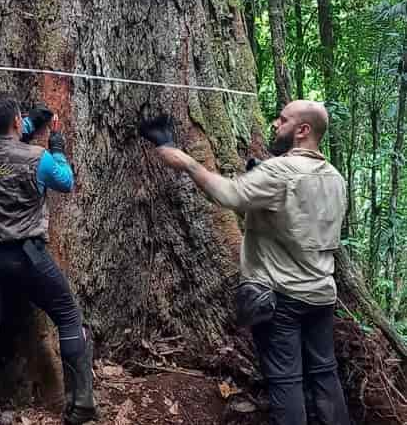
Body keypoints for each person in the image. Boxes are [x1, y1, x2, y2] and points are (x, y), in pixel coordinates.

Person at [140, 100, 350, 425]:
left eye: (282, 120)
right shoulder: (336, 178)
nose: (274, 125)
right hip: (322, 294)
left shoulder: (280, 171)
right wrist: (258, 180)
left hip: (281, 299)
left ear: (302, 130)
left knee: (286, 381)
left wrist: (184, 161)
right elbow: (291, 214)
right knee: (325, 374)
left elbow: (230, 196)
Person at [0, 94, 98, 425]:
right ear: (15, 122)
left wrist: (30, 122)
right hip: (26, 256)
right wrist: (58, 146)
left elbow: (5, 154)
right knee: (67, 315)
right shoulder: (39, 159)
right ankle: (81, 405)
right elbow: (65, 182)